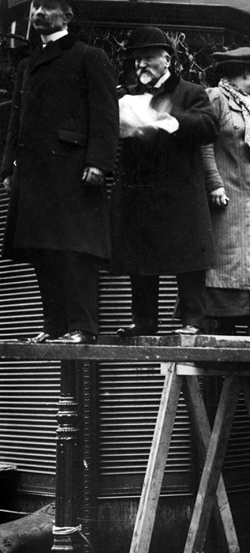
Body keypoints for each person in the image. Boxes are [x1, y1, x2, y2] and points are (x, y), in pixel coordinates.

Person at [1, 0, 119, 344]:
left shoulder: (89, 56)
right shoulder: (27, 64)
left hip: (73, 172)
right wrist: (8, 168)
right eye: (35, 6)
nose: (38, 12)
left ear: (67, 16)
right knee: (43, 251)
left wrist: (98, 161)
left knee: (74, 250)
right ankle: (53, 326)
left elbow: (105, 114)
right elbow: (16, 121)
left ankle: (83, 327)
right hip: (35, 177)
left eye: (48, 7)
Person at [111, 26, 219, 337]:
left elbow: (209, 127)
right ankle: (144, 321)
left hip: (180, 188)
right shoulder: (126, 95)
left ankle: (193, 320)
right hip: (139, 187)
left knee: (187, 255)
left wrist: (170, 120)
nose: (141, 65)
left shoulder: (191, 92)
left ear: (167, 59)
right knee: (140, 256)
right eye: (137, 60)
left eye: (148, 58)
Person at [200, 46, 250, 337]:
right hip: (226, 192)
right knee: (227, 257)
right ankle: (224, 321)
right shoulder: (215, 98)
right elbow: (203, 143)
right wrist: (214, 183)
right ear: (247, 72)